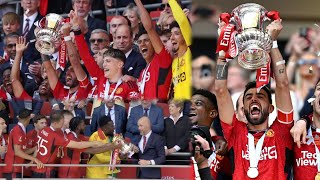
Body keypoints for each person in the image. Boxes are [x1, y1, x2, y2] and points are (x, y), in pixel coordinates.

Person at [214, 19, 294, 179]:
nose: (254, 100)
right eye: (248, 97)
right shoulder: (235, 132)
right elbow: (220, 90)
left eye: (261, 96)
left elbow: (283, 84)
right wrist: (223, 52)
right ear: (243, 108)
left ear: (271, 108)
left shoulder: (282, 132)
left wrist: (272, 43)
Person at [31, 110, 104, 178]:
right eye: (62, 122)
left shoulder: (44, 130)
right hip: (46, 169)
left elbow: (37, 148)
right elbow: (77, 145)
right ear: (57, 122)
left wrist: (32, 161)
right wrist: (94, 143)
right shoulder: (56, 136)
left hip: (38, 167)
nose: (70, 122)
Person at [134, 0, 173, 102]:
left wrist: (137, 2)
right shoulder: (142, 72)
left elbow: (150, 28)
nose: (142, 44)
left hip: (161, 112)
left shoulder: (162, 60)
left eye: (146, 40)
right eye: (140, 42)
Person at [3, 109, 43, 179]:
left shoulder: (20, 129)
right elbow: (17, 151)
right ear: (29, 117)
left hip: (16, 167)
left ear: (18, 117)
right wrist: (34, 159)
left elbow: (22, 151)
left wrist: (36, 148)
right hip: (13, 168)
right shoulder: (18, 131)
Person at [168, 0, 192, 100]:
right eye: (171, 34)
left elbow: (182, 22)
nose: (172, 38)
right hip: (179, 110)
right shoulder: (174, 63)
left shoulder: (191, 52)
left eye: (177, 34)